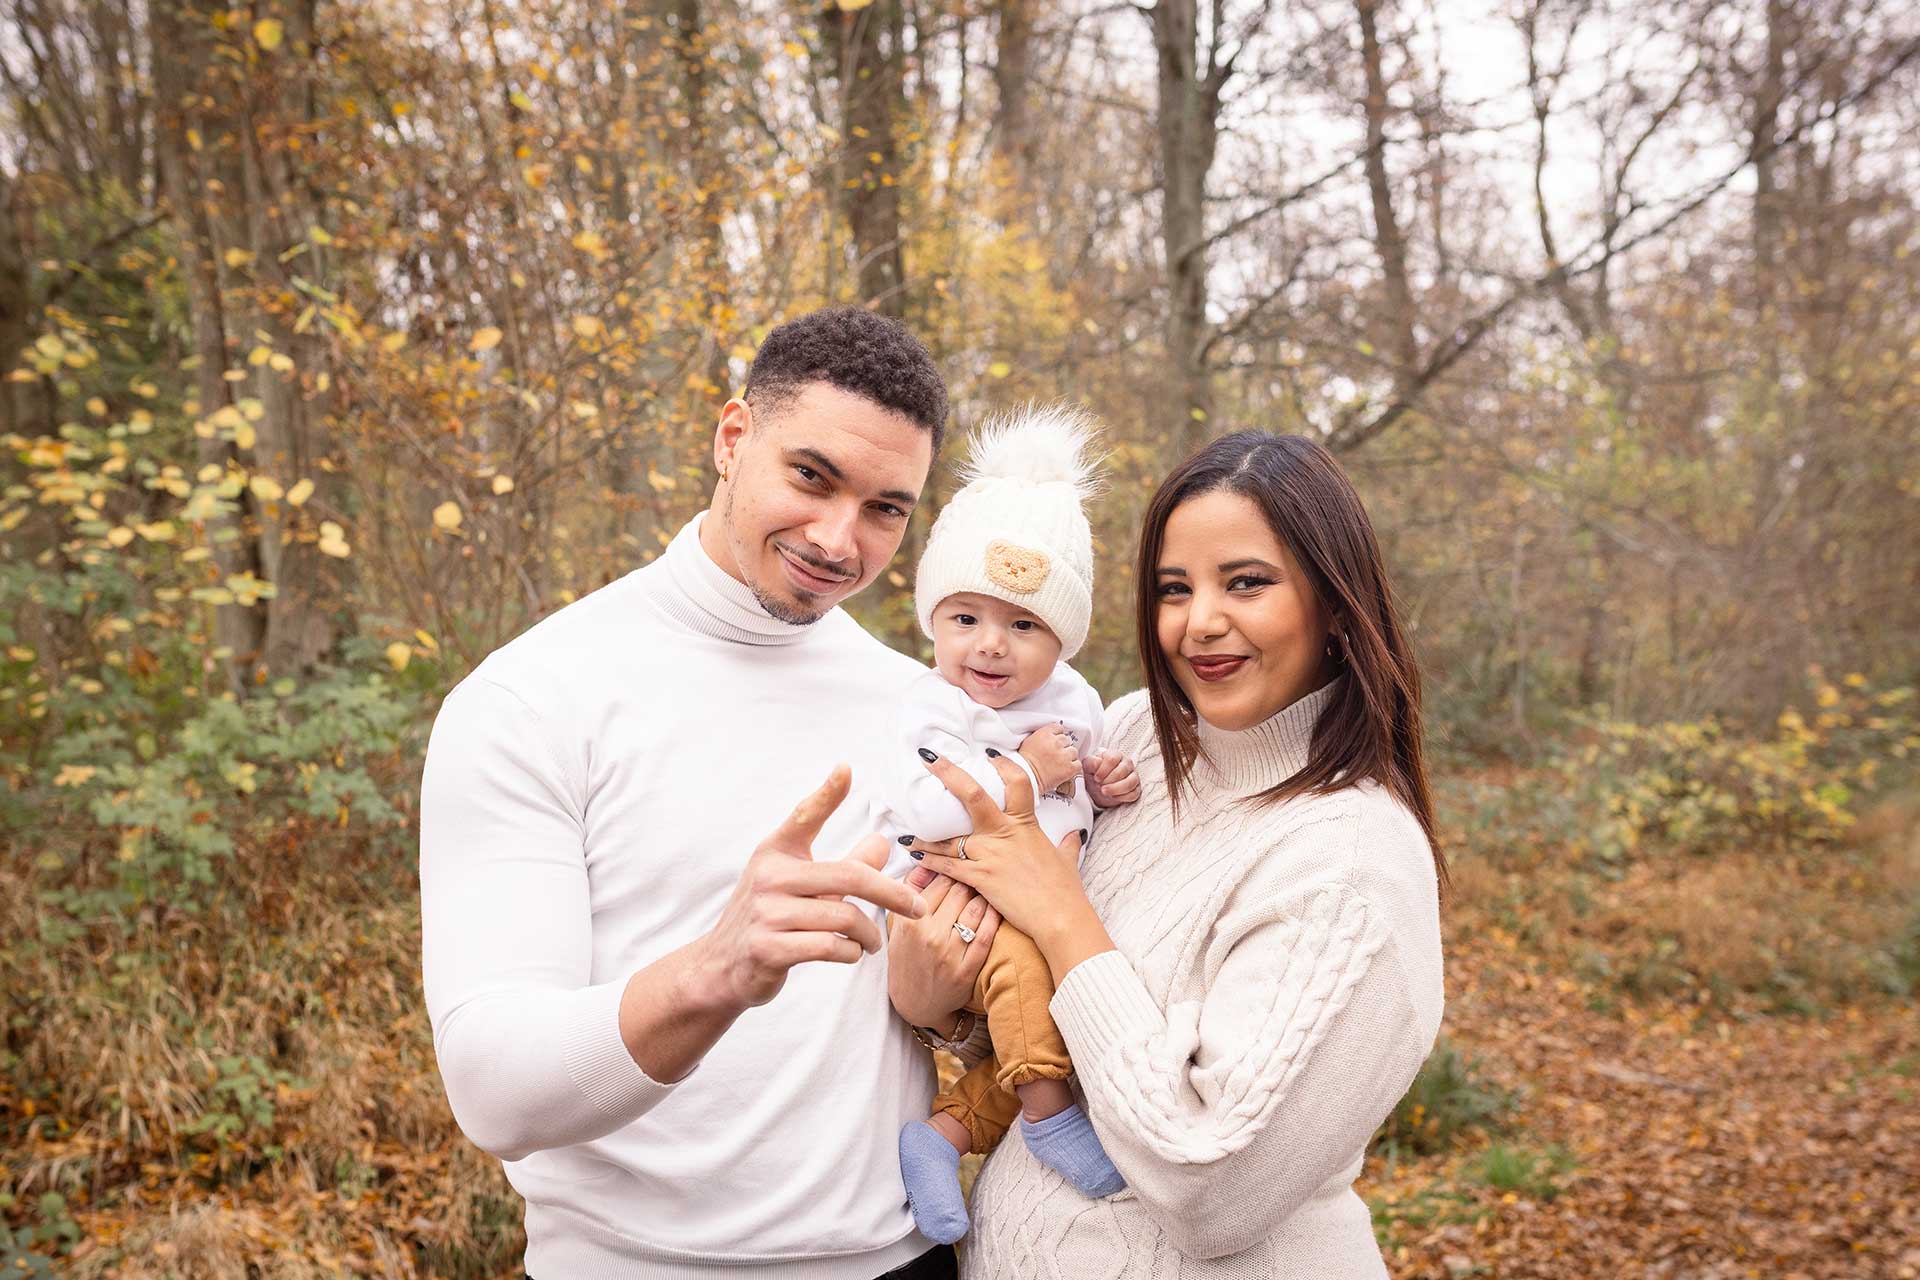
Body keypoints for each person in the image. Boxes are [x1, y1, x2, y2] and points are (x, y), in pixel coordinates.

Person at [418, 306, 999, 1279]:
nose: (838, 537)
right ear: (734, 438)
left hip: (902, 1259)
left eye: (885, 508)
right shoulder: (531, 698)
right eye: (811, 476)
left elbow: (966, 1005)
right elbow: (494, 1091)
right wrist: (717, 967)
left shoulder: (920, 707)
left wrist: (956, 1002)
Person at [903, 431, 1448, 1276]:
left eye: (1247, 583)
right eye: (1173, 588)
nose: (1201, 622)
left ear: (1337, 604)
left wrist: (1060, 911)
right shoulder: (1127, 744)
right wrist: (938, 999)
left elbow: (1209, 1186)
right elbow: (1035, 1040)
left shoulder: (1351, 864)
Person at [872, 405, 1139, 1243]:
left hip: (1047, 905)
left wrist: (1103, 782)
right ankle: (1050, 1117)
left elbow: (1078, 794)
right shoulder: (932, 704)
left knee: (1046, 1024)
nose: (990, 646)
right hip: (963, 898)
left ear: (1062, 640)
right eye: (966, 619)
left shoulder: (1077, 702)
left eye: (1023, 625)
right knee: (1027, 985)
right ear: (933, 620)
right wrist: (1031, 769)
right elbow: (924, 805)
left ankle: (943, 1136)